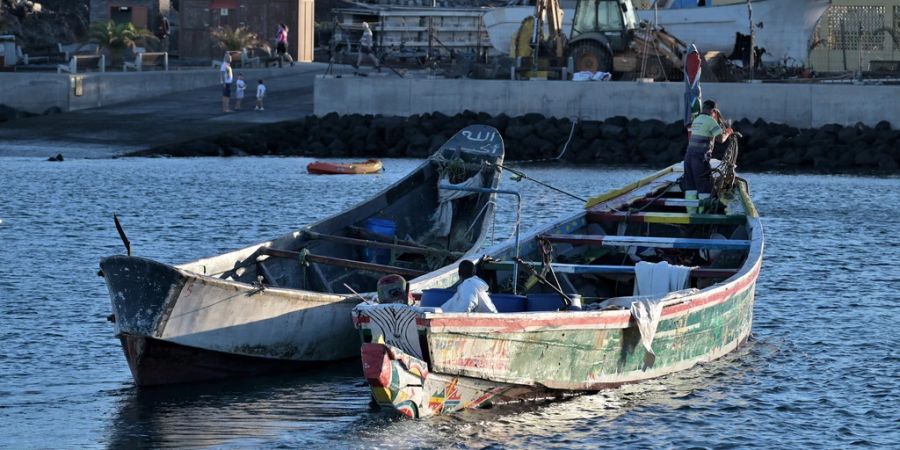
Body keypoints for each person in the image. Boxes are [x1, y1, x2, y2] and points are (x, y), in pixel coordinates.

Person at [683, 99, 733, 212]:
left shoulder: (696, 119)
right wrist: (728, 132)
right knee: (704, 187)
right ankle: (703, 214)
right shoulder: (711, 121)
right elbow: (721, 139)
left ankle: (691, 214)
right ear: (713, 111)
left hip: (688, 157)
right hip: (700, 159)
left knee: (691, 187)